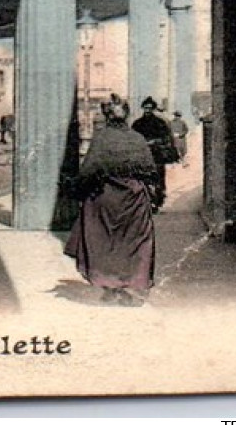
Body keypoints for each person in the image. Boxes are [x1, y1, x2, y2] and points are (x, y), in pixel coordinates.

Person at [65, 98, 158, 305]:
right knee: (134, 242)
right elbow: (151, 170)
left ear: (107, 117)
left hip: (105, 197)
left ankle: (110, 286)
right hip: (134, 198)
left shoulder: (102, 139)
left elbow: (89, 170)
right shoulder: (137, 139)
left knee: (104, 242)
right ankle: (129, 284)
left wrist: (78, 190)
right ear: (127, 115)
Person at [131, 97, 179, 210]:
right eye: (145, 108)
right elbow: (132, 138)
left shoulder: (160, 123)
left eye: (149, 108)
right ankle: (145, 200)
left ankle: (159, 198)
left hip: (157, 154)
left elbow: (166, 138)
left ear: (153, 109)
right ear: (143, 108)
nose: (147, 110)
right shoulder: (137, 124)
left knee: (158, 176)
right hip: (142, 154)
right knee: (143, 177)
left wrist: (155, 141)